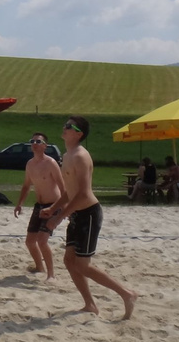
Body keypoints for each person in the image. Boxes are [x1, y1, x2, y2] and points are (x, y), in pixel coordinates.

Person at [41, 116, 137, 319]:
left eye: (69, 126)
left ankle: (127, 294)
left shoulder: (81, 156)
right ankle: (90, 305)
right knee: (69, 261)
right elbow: (69, 191)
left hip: (89, 213)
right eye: (65, 124)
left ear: (79, 134)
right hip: (77, 214)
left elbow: (83, 194)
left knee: (83, 265)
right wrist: (54, 208)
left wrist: (59, 218)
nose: (64, 127)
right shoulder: (67, 155)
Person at [13, 132, 65, 281]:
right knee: (30, 242)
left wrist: (64, 208)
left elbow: (62, 187)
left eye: (38, 141)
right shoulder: (30, 164)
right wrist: (19, 204)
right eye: (32, 141)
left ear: (45, 146)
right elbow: (26, 186)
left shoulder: (51, 163)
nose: (34, 144)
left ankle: (51, 274)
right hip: (39, 206)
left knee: (42, 241)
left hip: (53, 205)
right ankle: (39, 267)